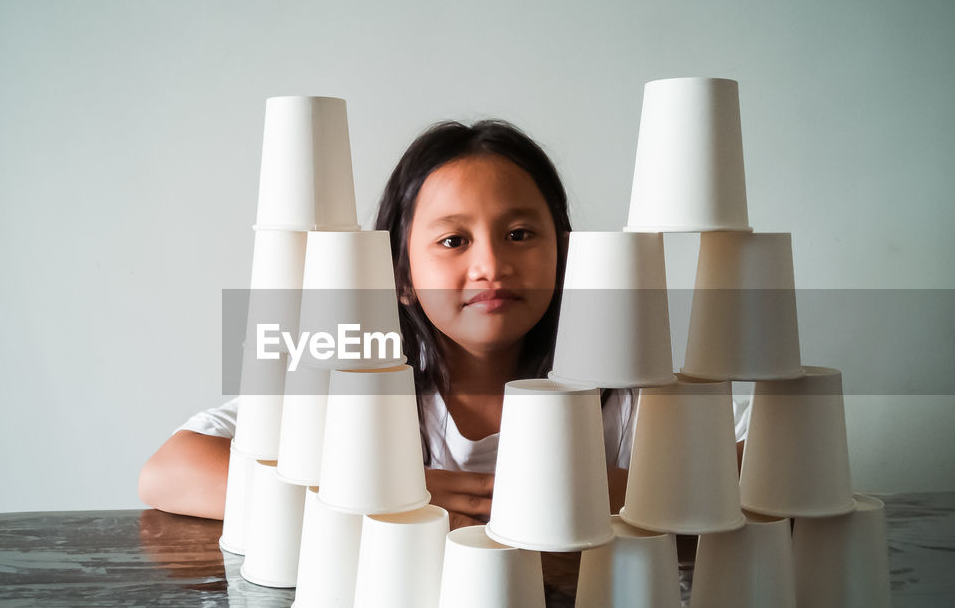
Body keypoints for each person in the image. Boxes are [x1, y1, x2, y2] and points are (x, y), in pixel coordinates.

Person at [139, 119, 745, 529]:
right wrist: (384, 488)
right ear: (399, 275)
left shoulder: (629, 384)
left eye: (519, 234)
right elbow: (168, 470)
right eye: (453, 240)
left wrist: (607, 488)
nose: (491, 265)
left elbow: (757, 460)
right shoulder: (354, 373)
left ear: (566, 254)